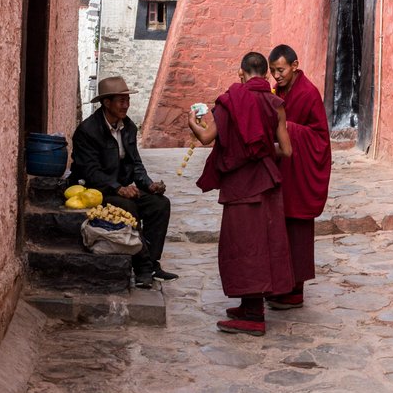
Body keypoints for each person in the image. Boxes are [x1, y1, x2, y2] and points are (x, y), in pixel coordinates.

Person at [188, 51, 293, 337]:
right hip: (267, 182)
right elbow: (286, 150)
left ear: (241, 73)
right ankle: (249, 305)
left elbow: (206, 137)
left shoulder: (230, 101)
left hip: (240, 185)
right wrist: (260, 151)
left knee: (243, 246)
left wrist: (192, 123)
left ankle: (254, 317)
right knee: (261, 244)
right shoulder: (276, 104)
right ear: (266, 73)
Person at [68, 75, 177, 288]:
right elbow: (91, 172)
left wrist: (148, 184)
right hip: (97, 190)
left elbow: (135, 163)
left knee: (159, 204)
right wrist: (118, 188)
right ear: (106, 103)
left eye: (127, 100)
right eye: (121, 101)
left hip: (122, 187)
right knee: (128, 207)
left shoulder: (128, 127)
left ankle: (152, 262)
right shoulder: (87, 131)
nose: (126, 105)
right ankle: (142, 268)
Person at [267, 44, 331, 309]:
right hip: (285, 172)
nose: (276, 76)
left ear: (294, 66)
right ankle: (281, 285)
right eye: (272, 71)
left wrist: (288, 129)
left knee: (297, 232)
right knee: (280, 231)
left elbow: (320, 139)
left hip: (300, 170)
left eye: (280, 70)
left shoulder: (309, 93)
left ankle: (295, 291)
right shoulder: (279, 91)